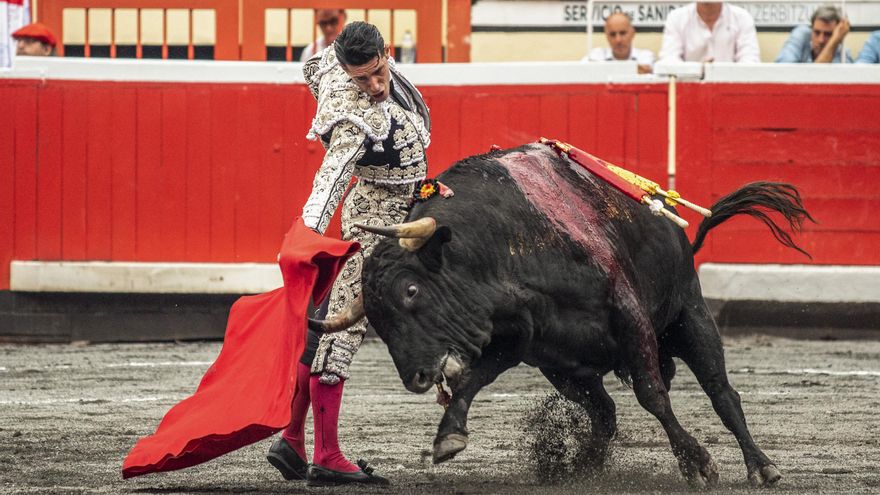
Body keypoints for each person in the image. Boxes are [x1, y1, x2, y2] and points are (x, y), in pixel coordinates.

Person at [266, 21, 430, 487]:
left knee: (323, 322)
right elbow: (330, 178)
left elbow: (312, 67)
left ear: (385, 53)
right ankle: (328, 454)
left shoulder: (337, 70)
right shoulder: (352, 120)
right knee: (342, 327)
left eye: (377, 73)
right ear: (347, 72)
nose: (374, 87)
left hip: (403, 210)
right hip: (373, 226)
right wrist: (306, 235)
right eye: (361, 79)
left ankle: (293, 439)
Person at [659, 2, 760, 63]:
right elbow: (668, 60)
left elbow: (751, 61)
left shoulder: (742, 18)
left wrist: (717, 73)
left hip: (731, 90)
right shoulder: (677, 18)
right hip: (688, 91)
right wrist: (698, 71)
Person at [775, 6, 853, 63]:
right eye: (817, 32)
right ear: (811, 29)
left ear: (837, 36)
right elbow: (783, 70)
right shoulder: (802, 34)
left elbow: (817, 78)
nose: (821, 40)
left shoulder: (843, 56)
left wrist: (833, 43)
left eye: (828, 34)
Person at [584, 12, 654, 74]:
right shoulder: (596, 55)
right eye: (612, 34)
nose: (618, 40)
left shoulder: (644, 56)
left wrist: (602, 69)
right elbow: (579, 71)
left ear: (632, 33)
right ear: (607, 36)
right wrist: (635, 69)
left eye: (623, 33)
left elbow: (646, 69)